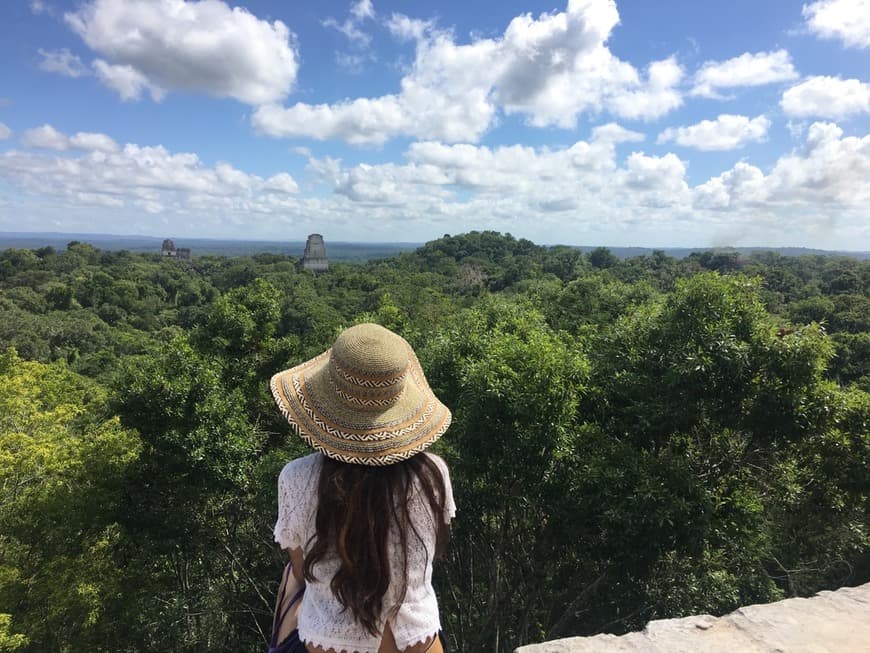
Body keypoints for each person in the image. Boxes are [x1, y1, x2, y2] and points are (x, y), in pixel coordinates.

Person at [270, 323, 455, 653]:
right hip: (420, 642)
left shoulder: (296, 478)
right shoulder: (434, 474)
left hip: (332, 643)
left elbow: (302, 570)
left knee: (289, 580)